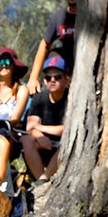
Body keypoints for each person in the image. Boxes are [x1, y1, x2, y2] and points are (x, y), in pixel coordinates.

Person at [29, 0, 78, 94]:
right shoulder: (58, 17)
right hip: (64, 71)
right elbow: (44, 44)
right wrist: (33, 78)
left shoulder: (90, 17)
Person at [21, 53, 69, 185]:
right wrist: (40, 136)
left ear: (67, 79)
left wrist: (41, 128)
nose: (52, 80)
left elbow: (68, 130)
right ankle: (41, 182)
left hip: (64, 146)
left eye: (57, 77)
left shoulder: (72, 99)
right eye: (48, 78)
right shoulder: (39, 98)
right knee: (26, 140)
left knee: (67, 143)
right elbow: (30, 127)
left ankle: (44, 177)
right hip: (44, 145)